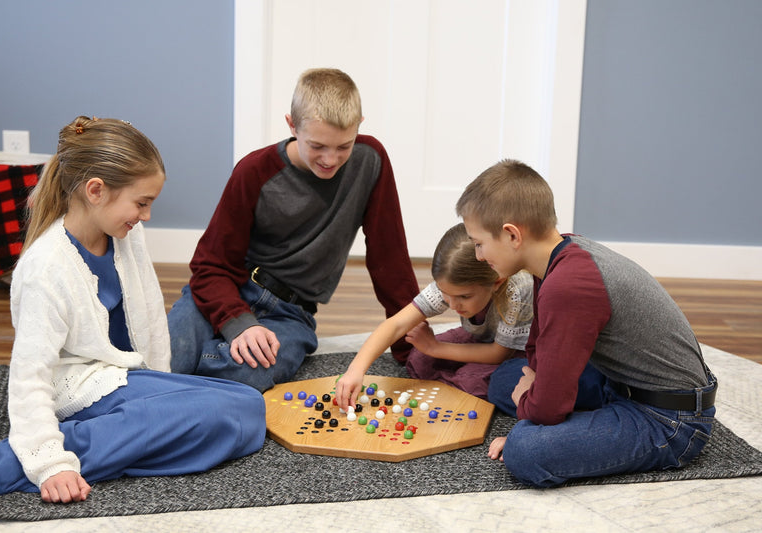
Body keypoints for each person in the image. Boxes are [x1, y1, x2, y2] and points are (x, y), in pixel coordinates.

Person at [0, 116, 266, 504]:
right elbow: (29, 375)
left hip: (125, 378)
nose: (146, 216)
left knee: (248, 406)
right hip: (80, 390)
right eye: (141, 203)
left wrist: (164, 390)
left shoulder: (125, 236)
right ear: (96, 191)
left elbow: (150, 318)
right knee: (218, 417)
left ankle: (126, 433)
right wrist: (49, 463)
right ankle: (26, 458)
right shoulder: (45, 268)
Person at [456, 159, 717, 487]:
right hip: (619, 381)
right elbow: (540, 344)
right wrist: (534, 388)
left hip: (669, 420)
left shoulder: (568, 284)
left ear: (511, 235)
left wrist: (532, 405)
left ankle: (577, 433)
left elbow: (548, 409)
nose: (479, 255)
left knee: (525, 449)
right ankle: (584, 426)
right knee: (504, 381)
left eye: (479, 243)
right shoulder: (557, 255)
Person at [168, 68, 419, 393]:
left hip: (290, 314)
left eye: (344, 146)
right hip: (230, 289)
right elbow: (210, 266)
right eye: (317, 146)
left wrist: (411, 347)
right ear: (291, 125)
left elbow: (389, 258)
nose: (331, 159)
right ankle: (184, 369)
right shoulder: (253, 171)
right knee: (167, 356)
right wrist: (238, 322)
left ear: (359, 125)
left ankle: (185, 375)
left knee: (246, 375)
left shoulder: (370, 161)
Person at [335, 223, 533, 409]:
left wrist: (435, 347)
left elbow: (499, 353)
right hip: (480, 338)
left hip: (515, 351)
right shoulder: (450, 285)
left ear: (497, 282)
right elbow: (396, 324)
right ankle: (454, 377)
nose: (453, 304)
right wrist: (356, 369)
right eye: (444, 292)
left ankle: (459, 378)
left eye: (464, 296)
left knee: (470, 381)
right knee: (419, 359)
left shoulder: (518, 292)